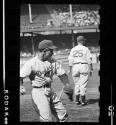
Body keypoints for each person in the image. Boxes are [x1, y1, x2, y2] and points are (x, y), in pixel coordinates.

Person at [20, 39, 73, 122]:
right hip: (38, 92)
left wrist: (67, 85)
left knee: (63, 115)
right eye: (51, 50)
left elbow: (62, 74)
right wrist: (21, 85)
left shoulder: (53, 61)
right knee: (47, 119)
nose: (53, 52)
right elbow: (20, 76)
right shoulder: (32, 63)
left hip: (49, 91)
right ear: (45, 50)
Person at [68, 36, 93, 106]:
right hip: (83, 66)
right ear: (82, 41)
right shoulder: (85, 48)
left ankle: (77, 100)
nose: (85, 41)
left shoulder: (73, 49)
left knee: (77, 84)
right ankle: (83, 101)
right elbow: (89, 60)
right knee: (83, 84)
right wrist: (91, 69)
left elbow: (70, 61)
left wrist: (70, 70)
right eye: (84, 40)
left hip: (75, 66)